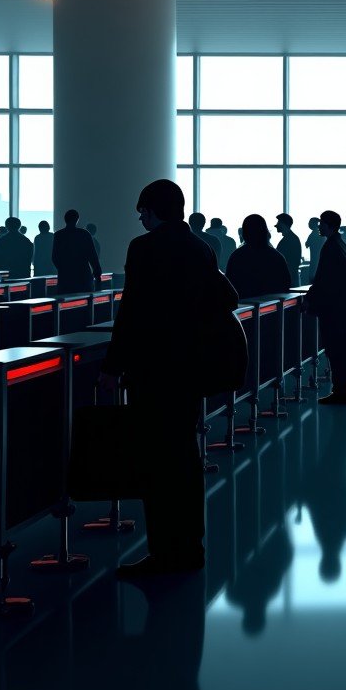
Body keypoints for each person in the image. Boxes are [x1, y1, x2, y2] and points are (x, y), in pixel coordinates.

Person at [100, 178, 238, 577]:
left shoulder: (143, 249)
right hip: (190, 367)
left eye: (143, 210)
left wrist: (112, 365)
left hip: (152, 369)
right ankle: (191, 549)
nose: (140, 217)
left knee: (156, 463)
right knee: (184, 456)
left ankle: (162, 552)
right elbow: (225, 298)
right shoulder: (200, 248)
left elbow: (132, 311)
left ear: (155, 210)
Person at [304, 210, 346, 406]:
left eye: (321, 223)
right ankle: (343, 391)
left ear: (328, 225)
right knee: (341, 349)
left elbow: (324, 279)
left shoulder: (331, 247)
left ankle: (342, 392)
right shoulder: (340, 244)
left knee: (336, 350)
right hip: (341, 307)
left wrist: (309, 297)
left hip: (333, 308)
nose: (319, 226)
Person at [224, 214, 291, 299]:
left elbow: (229, 286)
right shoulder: (276, 257)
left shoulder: (237, 256)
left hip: (243, 307)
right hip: (273, 307)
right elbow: (285, 284)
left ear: (245, 233)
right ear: (265, 231)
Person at [52, 209, 102, 293]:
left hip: (65, 278)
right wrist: (97, 273)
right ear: (77, 219)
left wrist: (63, 269)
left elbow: (54, 257)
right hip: (83, 276)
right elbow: (92, 256)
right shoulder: (84, 234)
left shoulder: (58, 235)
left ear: (65, 219)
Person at [274, 213, 303, 286]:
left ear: (283, 224)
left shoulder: (289, 240)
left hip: (289, 279)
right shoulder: (292, 238)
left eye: (278, 222)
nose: (276, 225)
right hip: (290, 278)